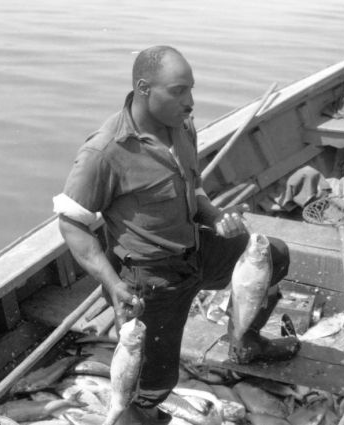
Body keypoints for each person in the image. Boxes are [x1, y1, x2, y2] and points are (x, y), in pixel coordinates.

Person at [53, 45, 300, 424]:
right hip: (149, 278)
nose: (190, 102)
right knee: (152, 384)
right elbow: (72, 225)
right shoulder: (104, 152)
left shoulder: (182, 128)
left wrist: (217, 218)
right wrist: (113, 284)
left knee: (271, 257)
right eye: (179, 91)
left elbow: (194, 189)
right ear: (143, 89)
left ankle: (245, 341)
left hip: (195, 249)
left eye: (191, 89)